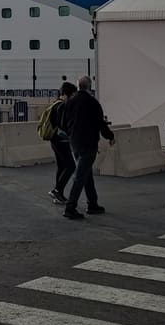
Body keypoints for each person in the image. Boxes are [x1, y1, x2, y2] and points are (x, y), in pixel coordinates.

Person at [61, 75, 114, 220]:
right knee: (80, 176)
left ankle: (93, 203)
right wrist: (110, 136)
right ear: (89, 87)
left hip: (75, 143)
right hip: (88, 143)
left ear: (78, 87)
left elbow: (64, 123)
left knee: (86, 173)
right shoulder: (93, 102)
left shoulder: (69, 102)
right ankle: (70, 208)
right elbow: (101, 124)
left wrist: (71, 135)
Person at [47, 81, 78, 204]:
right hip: (61, 139)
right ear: (66, 94)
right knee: (71, 166)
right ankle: (57, 190)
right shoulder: (62, 106)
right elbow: (64, 124)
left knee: (61, 166)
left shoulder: (54, 104)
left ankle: (58, 195)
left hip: (54, 139)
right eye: (72, 95)